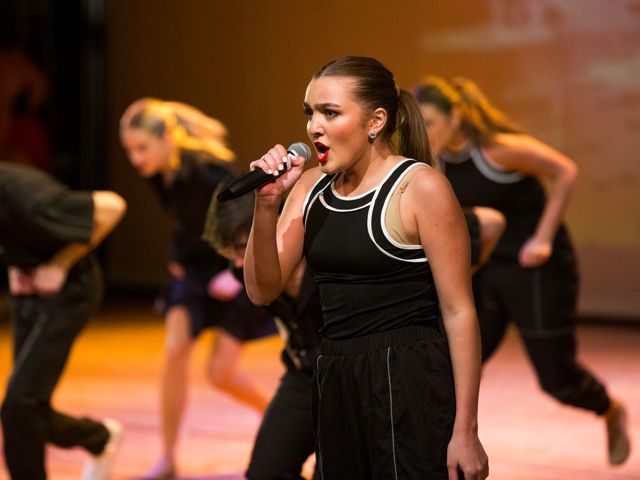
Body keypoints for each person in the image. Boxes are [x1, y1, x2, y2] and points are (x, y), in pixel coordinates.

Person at [243, 56, 489, 480]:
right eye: (310, 113)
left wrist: (465, 430)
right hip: (335, 374)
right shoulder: (307, 188)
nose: (313, 126)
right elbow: (262, 290)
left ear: (376, 121)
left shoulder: (419, 187)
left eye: (330, 113)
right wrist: (265, 207)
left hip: (407, 378)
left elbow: (459, 312)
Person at [413, 75, 631, 466]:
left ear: (456, 116)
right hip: (488, 270)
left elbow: (566, 171)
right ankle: (444, 455)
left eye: (429, 122)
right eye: (418, 123)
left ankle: (610, 409)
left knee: (557, 381)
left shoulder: (497, 149)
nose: (424, 132)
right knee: (456, 364)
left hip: (538, 270)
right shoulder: (437, 159)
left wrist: (543, 238)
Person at [119, 98, 276, 480]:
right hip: (191, 276)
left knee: (220, 374)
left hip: (228, 272)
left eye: (142, 147)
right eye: (129, 150)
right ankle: (169, 458)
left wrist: (235, 275)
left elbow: (245, 218)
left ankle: (281, 423)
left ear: (168, 137)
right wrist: (177, 257)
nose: (136, 159)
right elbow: (184, 223)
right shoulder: (158, 171)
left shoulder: (209, 169)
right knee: (174, 350)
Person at [0, 161, 127, 480]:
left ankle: (97, 437)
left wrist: (59, 264)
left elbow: (112, 206)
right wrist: (15, 266)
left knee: (21, 404)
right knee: (25, 408)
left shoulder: (29, 197)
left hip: (71, 289)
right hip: (29, 287)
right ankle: (97, 437)